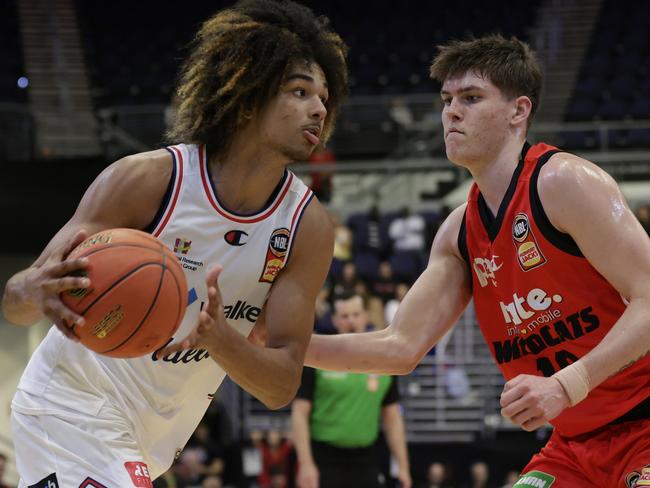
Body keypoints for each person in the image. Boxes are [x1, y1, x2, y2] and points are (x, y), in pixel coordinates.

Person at [1, 1, 348, 485]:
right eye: (299, 90)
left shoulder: (307, 228)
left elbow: (280, 386)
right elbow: (18, 305)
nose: (318, 108)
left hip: (153, 440)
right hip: (70, 406)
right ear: (248, 95)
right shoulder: (146, 181)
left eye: (324, 97)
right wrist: (28, 289)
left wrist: (220, 339)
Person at [305, 35, 650, 488]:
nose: (451, 111)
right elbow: (399, 346)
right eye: (447, 99)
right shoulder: (456, 233)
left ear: (518, 111)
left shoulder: (565, 183)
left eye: (471, 98)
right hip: (572, 444)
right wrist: (281, 345)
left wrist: (567, 385)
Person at [291, 292, 411, 488]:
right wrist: (305, 464)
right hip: (324, 458)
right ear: (335, 320)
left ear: (365, 316)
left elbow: (392, 419)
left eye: (356, 314)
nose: (351, 321)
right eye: (345, 316)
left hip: (366, 458)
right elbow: (299, 414)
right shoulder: (318, 359)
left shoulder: (382, 361)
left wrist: (403, 466)